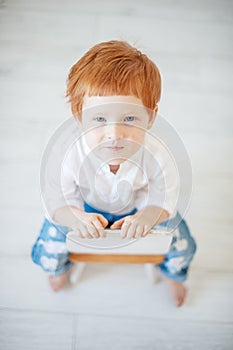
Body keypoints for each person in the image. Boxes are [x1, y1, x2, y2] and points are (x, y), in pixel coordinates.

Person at [31, 40, 196, 307]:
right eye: (99, 119)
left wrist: (148, 215)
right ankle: (57, 269)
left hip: (138, 207)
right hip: (84, 207)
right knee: (50, 241)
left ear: (151, 117)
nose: (114, 133)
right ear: (78, 116)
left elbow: (164, 195)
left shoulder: (158, 154)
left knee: (181, 243)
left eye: (130, 119)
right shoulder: (66, 153)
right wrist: (74, 217)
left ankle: (173, 274)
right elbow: (56, 199)